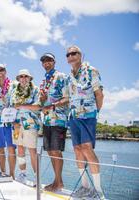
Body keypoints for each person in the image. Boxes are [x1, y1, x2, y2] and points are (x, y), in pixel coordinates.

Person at [66, 45, 105, 199]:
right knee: (77, 149)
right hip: (74, 116)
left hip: (88, 115)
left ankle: (98, 190)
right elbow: (69, 97)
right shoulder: (70, 77)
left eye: (74, 53)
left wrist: (95, 112)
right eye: (68, 54)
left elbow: (99, 95)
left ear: (80, 55)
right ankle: (85, 186)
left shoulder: (91, 71)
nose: (70, 56)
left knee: (87, 148)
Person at [39, 53, 69, 192]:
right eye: (44, 61)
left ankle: (58, 183)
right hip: (46, 120)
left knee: (56, 151)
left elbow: (67, 98)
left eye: (49, 60)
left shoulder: (61, 76)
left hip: (58, 119)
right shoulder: (44, 81)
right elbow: (43, 102)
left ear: (54, 62)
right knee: (50, 151)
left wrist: (51, 106)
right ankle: (57, 182)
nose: (46, 63)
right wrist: (43, 100)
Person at [10, 69, 41, 183]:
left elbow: (38, 106)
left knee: (32, 150)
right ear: (18, 79)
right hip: (17, 125)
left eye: (26, 76)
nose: (23, 78)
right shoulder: (13, 91)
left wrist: (22, 105)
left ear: (30, 78)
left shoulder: (35, 90)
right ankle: (23, 175)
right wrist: (13, 122)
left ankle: (37, 178)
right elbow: (11, 107)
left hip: (30, 124)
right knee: (20, 150)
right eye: (21, 76)